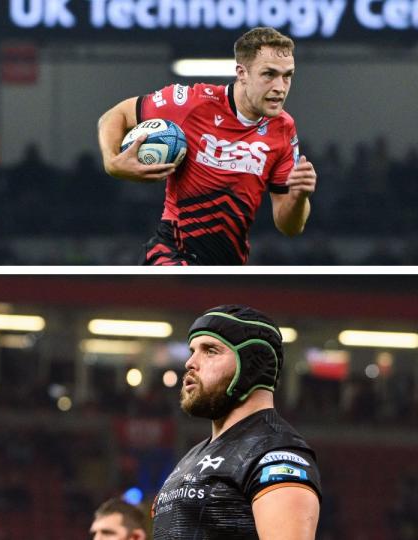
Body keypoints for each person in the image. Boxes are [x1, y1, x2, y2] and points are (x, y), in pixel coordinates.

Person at [97, 27, 317, 265]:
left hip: (229, 263)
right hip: (174, 252)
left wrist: (299, 197)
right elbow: (114, 115)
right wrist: (112, 162)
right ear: (242, 73)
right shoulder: (191, 103)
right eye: (269, 74)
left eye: (287, 75)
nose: (280, 87)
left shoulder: (284, 128)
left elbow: (289, 227)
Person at [151, 305, 321, 539]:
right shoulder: (193, 457)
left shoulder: (276, 454)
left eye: (210, 351)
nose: (190, 362)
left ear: (252, 365)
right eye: (192, 351)